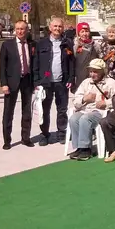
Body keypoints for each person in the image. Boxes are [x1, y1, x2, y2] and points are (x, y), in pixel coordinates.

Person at [33, 16, 74, 145]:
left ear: (63, 28)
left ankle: (62, 133)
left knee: (62, 109)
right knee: (44, 109)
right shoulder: (41, 44)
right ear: (50, 28)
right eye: (55, 26)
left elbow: (71, 62)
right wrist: (36, 82)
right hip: (45, 82)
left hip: (62, 81)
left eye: (60, 26)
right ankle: (44, 134)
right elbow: (36, 63)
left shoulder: (67, 43)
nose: (57, 28)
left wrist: (71, 78)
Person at [68, 59, 115, 161]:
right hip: (86, 109)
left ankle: (86, 149)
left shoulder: (110, 82)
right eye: (91, 71)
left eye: (95, 72)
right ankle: (79, 147)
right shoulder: (86, 82)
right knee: (73, 119)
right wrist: (84, 99)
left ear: (102, 72)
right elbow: (76, 100)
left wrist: (106, 103)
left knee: (85, 119)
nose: (92, 74)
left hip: (100, 112)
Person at [0, 20, 34, 150]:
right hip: (11, 82)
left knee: (26, 111)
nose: (20, 31)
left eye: (22, 29)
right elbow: (2, 66)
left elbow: (34, 63)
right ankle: (7, 140)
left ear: (27, 30)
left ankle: (26, 138)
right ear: (15, 30)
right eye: (18, 29)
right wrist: (4, 84)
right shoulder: (7, 45)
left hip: (27, 80)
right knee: (8, 112)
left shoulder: (31, 44)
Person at [72, 22, 98, 94]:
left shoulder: (95, 45)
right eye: (82, 31)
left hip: (92, 77)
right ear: (78, 33)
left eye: (86, 31)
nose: (84, 34)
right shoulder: (75, 45)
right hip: (79, 78)